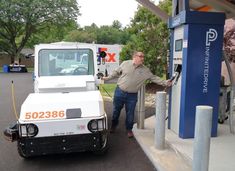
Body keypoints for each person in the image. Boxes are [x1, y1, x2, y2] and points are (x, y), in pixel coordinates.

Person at [101, 51, 172, 138]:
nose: (142, 58)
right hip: (119, 92)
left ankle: (129, 129)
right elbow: (115, 72)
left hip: (132, 95)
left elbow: (154, 78)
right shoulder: (125, 63)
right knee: (116, 110)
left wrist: (165, 82)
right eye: (140, 56)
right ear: (134, 57)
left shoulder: (145, 70)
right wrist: (106, 78)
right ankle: (113, 125)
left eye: (143, 56)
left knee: (130, 113)